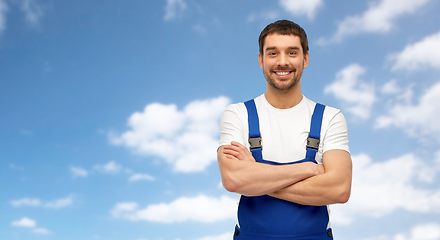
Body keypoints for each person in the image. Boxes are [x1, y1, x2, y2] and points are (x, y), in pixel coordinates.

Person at [217, 20, 352, 240]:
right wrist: (308, 169)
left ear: (305, 59)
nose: (282, 62)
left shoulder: (330, 117)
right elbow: (233, 179)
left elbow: (339, 189)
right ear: (261, 60)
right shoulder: (237, 114)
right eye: (272, 53)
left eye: (291, 52)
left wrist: (256, 175)